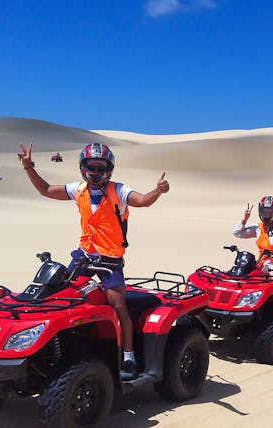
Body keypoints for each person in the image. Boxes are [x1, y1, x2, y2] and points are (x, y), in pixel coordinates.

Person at [18, 142, 169, 380]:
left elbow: (142, 200)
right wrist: (28, 167)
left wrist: (157, 190)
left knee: (119, 306)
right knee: (59, 293)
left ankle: (129, 357)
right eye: (92, 166)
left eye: (101, 166)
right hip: (84, 255)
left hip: (110, 259)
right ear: (83, 167)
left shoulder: (119, 190)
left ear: (108, 168)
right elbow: (46, 189)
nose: (96, 171)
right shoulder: (78, 190)